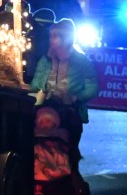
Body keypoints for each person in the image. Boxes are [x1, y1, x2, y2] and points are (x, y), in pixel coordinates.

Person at [29, 18, 99, 158]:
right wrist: (40, 93)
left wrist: (76, 97)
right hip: (47, 111)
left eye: (55, 36)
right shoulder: (45, 60)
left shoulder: (81, 61)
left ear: (66, 38)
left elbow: (93, 88)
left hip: (70, 113)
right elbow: (35, 84)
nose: (51, 39)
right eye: (51, 36)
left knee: (67, 154)